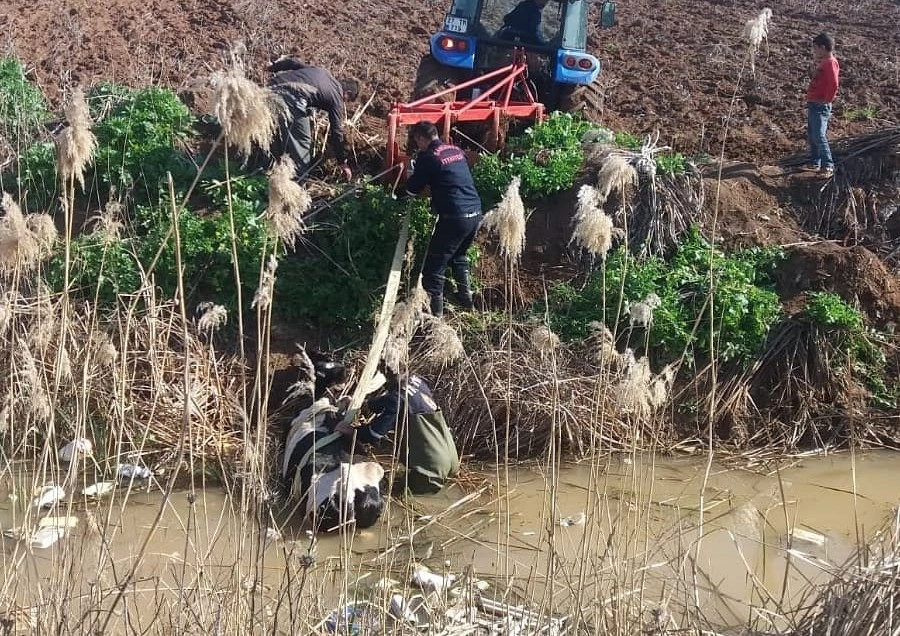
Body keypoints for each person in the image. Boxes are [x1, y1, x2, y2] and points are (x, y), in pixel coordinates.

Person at [336, 366, 460, 495]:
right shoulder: (416, 381)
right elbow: (388, 402)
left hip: (431, 469)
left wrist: (351, 431)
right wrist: (360, 404)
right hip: (450, 459)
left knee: (394, 496)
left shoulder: (397, 399)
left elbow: (374, 434)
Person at [404, 121, 483, 318]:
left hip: (454, 217)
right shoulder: (455, 150)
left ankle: (435, 316)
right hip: (475, 212)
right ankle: (466, 300)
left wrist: (410, 172)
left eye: (417, 141)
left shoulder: (429, 157)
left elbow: (412, 189)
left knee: (434, 267)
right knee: (459, 256)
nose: (417, 146)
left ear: (422, 138)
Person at [266, 57, 360, 181]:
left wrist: (273, 67)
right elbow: (337, 132)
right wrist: (342, 162)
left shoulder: (322, 72)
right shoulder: (337, 98)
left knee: (277, 134)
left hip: (271, 87)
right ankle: (296, 184)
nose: (344, 103)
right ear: (347, 93)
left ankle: (269, 169)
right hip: (291, 98)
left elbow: (294, 63)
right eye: (347, 100)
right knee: (303, 143)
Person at [802, 33, 840, 178]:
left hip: (820, 105)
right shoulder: (824, 62)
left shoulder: (830, 63)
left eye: (815, 48)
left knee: (819, 135)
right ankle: (814, 162)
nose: (814, 51)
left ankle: (828, 166)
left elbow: (834, 83)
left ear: (823, 48)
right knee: (812, 135)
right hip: (814, 103)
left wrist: (827, 99)